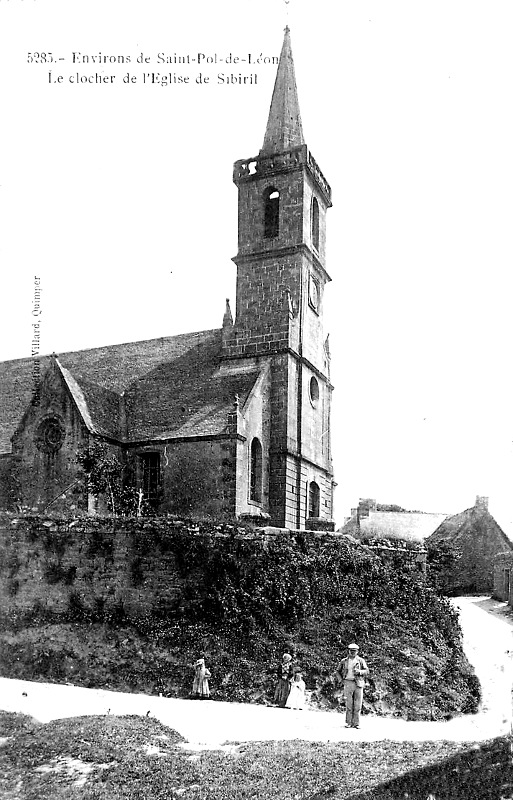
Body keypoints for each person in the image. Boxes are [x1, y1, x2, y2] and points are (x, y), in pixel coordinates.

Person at [335, 643, 369, 729]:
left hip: (358, 683)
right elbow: (337, 671)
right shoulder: (344, 661)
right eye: (351, 651)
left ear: (357, 651)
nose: (353, 652)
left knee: (358, 704)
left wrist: (360, 672)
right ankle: (348, 723)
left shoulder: (361, 661)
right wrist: (341, 680)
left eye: (354, 651)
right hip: (348, 683)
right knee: (349, 704)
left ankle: (356, 723)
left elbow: (366, 671)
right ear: (348, 651)